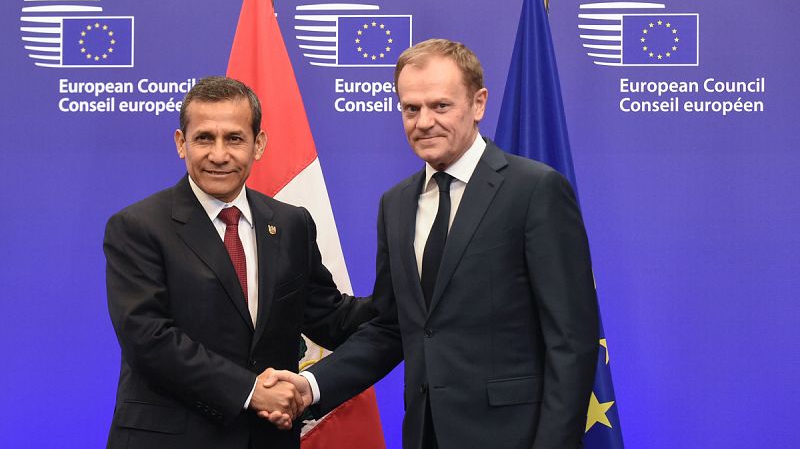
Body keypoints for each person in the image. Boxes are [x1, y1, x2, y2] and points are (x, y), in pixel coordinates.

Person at [265, 39, 600, 448]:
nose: (423, 122)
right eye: (411, 108)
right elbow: (392, 327)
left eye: (440, 106)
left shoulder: (534, 190)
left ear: (478, 104)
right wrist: (310, 387)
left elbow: (572, 340)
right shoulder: (397, 204)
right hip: (426, 435)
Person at [103, 76, 374, 449]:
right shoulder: (138, 227)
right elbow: (148, 340)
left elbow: (329, 316)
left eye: (234, 138)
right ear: (181, 144)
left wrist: (409, 300)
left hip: (266, 439)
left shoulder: (291, 222)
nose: (218, 154)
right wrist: (251, 391)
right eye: (204, 138)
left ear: (257, 144)